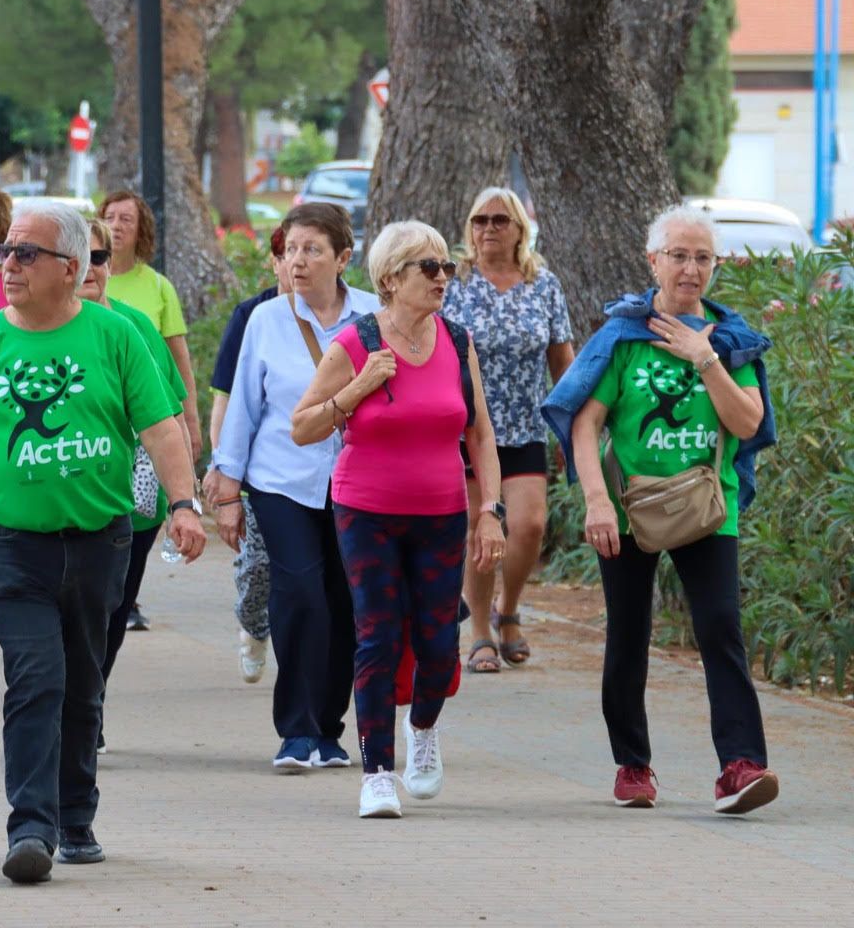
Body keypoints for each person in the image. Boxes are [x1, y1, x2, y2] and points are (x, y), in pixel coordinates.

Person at [0, 199, 205, 883]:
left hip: (99, 541)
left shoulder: (115, 336)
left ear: (71, 269)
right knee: (35, 679)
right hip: (13, 544)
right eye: (6, 251)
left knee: (82, 683)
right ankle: (31, 826)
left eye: (25, 253)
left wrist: (185, 503)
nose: (8, 263)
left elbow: (163, 428)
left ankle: (76, 813)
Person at [547, 205, 779, 815]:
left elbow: (748, 421)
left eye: (702, 257)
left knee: (720, 627)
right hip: (628, 508)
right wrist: (596, 498)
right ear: (653, 261)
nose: (690, 268)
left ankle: (741, 765)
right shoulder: (624, 336)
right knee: (629, 634)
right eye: (678, 255)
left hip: (706, 506)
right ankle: (633, 765)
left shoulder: (732, 340)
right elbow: (584, 422)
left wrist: (705, 358)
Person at [292, 220, 504, 820]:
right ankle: (378, 773)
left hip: (441, 514)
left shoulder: (458, 340)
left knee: (439, 647)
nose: (442, 279)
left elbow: (481, 433)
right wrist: (356, 389)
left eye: (446, 268)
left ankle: (424, 728)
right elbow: (302, 425)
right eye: (427, 269)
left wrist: (489, 511)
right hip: (367, 512)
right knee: (378, 637)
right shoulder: (356, 343)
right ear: (389, 279)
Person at [209, 204, 379, 770]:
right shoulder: (266, 319)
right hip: (281, 481)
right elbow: (244, 410)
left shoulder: (375, 319)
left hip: (358, 484)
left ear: (343, 258)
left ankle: (329, 728)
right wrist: (227, 490)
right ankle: (296, 730)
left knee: (343, 603)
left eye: (312, 249)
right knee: (299, 592)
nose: (297, 261)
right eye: (290, 249)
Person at [443, 187, 574, 672]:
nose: (489, 228)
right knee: (480, 528)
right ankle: (479, 632)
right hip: (466, 430)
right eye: (480, 220)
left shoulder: (543, 284)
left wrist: (572, 427)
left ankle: (509, 607)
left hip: (523, 428)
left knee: (529, 525)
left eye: (501, 219)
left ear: (521, 228)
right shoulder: (453, 284)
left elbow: (563, 360)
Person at [79, 218, 193, 753]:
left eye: (101, 258)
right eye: (81, 257)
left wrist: (184, 498)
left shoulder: (135, 326)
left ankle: (89, 700)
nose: (91, 269)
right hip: (62, 491)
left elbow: (168, 409)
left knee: (113, 606)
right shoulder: (29, 328)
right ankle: (73, 702)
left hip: (134, 496)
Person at [203, 225, 291, 683]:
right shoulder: (251, 315)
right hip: (258, 468)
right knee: (257, 566)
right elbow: (226, 401)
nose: (295, 263)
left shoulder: (349, 315)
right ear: (274, 263)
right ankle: (254, 626)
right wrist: (224, 472)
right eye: (286, 253)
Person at [99, 189, 203, 462]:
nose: (116, 226)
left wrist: (190, 422)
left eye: (126, 219)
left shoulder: (158, 286)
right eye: (109, 218)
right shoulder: (86, 282)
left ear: (141, 230)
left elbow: (179, 364)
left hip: (149, 415)